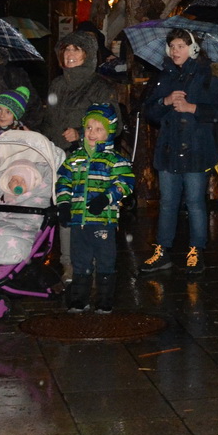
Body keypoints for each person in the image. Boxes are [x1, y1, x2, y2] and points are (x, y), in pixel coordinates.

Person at [141, 28, 218, 274]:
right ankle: (162, 251)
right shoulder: (164, 76)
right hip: (169, 150)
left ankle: (196, 250)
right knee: (167, 203)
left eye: (180, 45)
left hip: (197, 149)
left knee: (195, 202)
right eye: (172, 46)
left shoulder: (209, 76)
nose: (175, 51)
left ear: (193, 48)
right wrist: (165, 101)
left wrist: (193, 108)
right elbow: (150, 111)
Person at [54, 104, 135, 313]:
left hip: (103, 221)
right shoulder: (75, 158)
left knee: (106, 261)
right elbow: (63, 181)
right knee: (80, 261)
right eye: (89, 128)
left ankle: (105, 299)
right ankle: (79, 299)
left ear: (109, 133)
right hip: (79, 221)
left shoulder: (114, 160)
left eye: (99, 129)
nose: (92, 133)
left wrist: (106, 198)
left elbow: (125, 183)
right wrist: (64, 204)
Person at [41, 31, 119, 149]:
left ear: (87, 55)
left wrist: (80, 134)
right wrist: (35, 134)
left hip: (85, 154)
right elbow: (48, 122)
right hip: (54, 152)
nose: (69, 54)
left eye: (76, 50)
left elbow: (114, 126)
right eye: (67, 49)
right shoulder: (57, 84)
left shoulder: (100, 87)